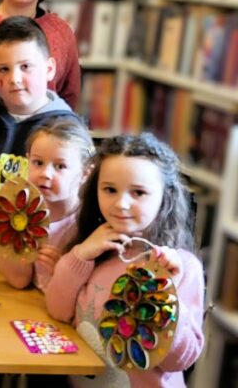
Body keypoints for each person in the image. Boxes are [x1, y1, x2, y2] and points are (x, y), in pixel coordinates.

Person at [45, 134, 204, 387]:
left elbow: (180, 360)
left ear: (165, 196)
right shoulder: (93, 247)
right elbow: (58, 310)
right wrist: (80, 255)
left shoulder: (183, 266)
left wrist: (166, 295)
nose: (121, 204)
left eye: (138, 192)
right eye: (109, 189)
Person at [0, 16, 78, 245]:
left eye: (25, 67)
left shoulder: (68, 131)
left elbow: (73, 206)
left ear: (49, 69)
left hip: (41, 254)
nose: (14, 79)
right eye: (3, 69)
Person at [0, 117, 94, 291]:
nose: (45, 173)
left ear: (85, 172)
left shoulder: (86, 223)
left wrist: (64, 274)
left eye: (60, 166)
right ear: (27, 160)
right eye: (38, 163)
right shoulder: (22, 213)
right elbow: (19, 279)